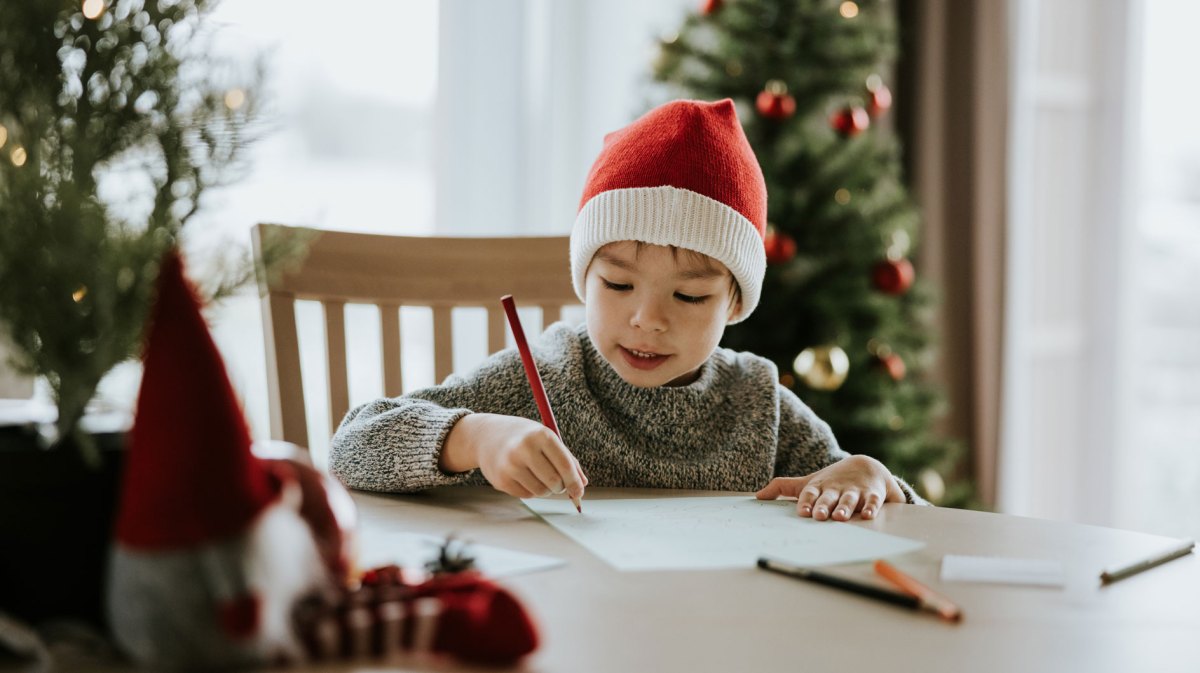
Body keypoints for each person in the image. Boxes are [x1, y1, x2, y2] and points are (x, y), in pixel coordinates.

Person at [329, 99, 923, 521]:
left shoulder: (758, 403)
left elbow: (903, 515)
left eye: (689, 296)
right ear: (583, 278)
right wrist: (474, 436)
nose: (647, 319)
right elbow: (353, 445)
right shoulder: (544, 376)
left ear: (736, 301)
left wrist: (871, 478)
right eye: (617, 285)